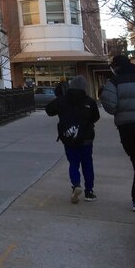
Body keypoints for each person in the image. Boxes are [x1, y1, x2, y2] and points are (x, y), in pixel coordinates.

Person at [99, 55, 135, 213]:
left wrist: (120, 111)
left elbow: (109, 104)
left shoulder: (114, 83)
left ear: (117, 67)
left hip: (126, 126)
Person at [45, 75, 100, 203]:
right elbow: (95, 117)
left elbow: (49, 110)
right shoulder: (89, 102)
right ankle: (89, 191)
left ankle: (76, 185)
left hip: (69, 138)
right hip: (86, 137)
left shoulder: (62, 100)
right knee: (87, 163)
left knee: (73, 163)